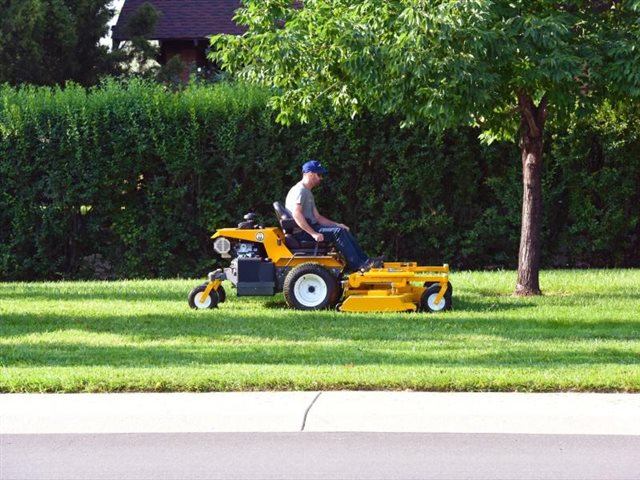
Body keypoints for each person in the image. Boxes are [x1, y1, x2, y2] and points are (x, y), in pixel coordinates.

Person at [285, 160, 382, 272]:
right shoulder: (300, 190)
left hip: (310, 228)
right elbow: (296, 214)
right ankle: (359, 265)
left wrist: (337, 224)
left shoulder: (307, 192)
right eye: (319, 174)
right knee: (338, 232)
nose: (321, 178)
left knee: (341, 229)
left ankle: (366, 261)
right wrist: (313, 233)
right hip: (302, 233)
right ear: (310, 173)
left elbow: (318, 217)